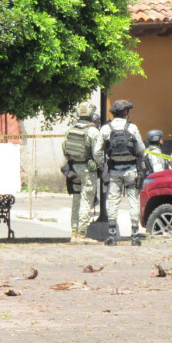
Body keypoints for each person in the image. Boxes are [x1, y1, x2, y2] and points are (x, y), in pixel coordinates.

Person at [93, 99, 145, 246]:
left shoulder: (105, 129)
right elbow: (141, 149)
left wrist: (103, 165)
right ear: (125, 112)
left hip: (114, 170)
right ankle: (135, 236)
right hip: (131, 170)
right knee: (133, 201)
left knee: (113, 201)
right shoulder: (132, 128)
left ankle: (111, 236)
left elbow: (97, 152)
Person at [61, 102, 100, 244]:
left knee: (76, 200)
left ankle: (74, 233)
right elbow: (98, 154)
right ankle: (82, 235)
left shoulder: (70, 129)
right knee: (86, 200)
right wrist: (100, 166)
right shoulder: (93, 131)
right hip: (88, 170)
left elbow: (65, 149)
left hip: (73, 170)